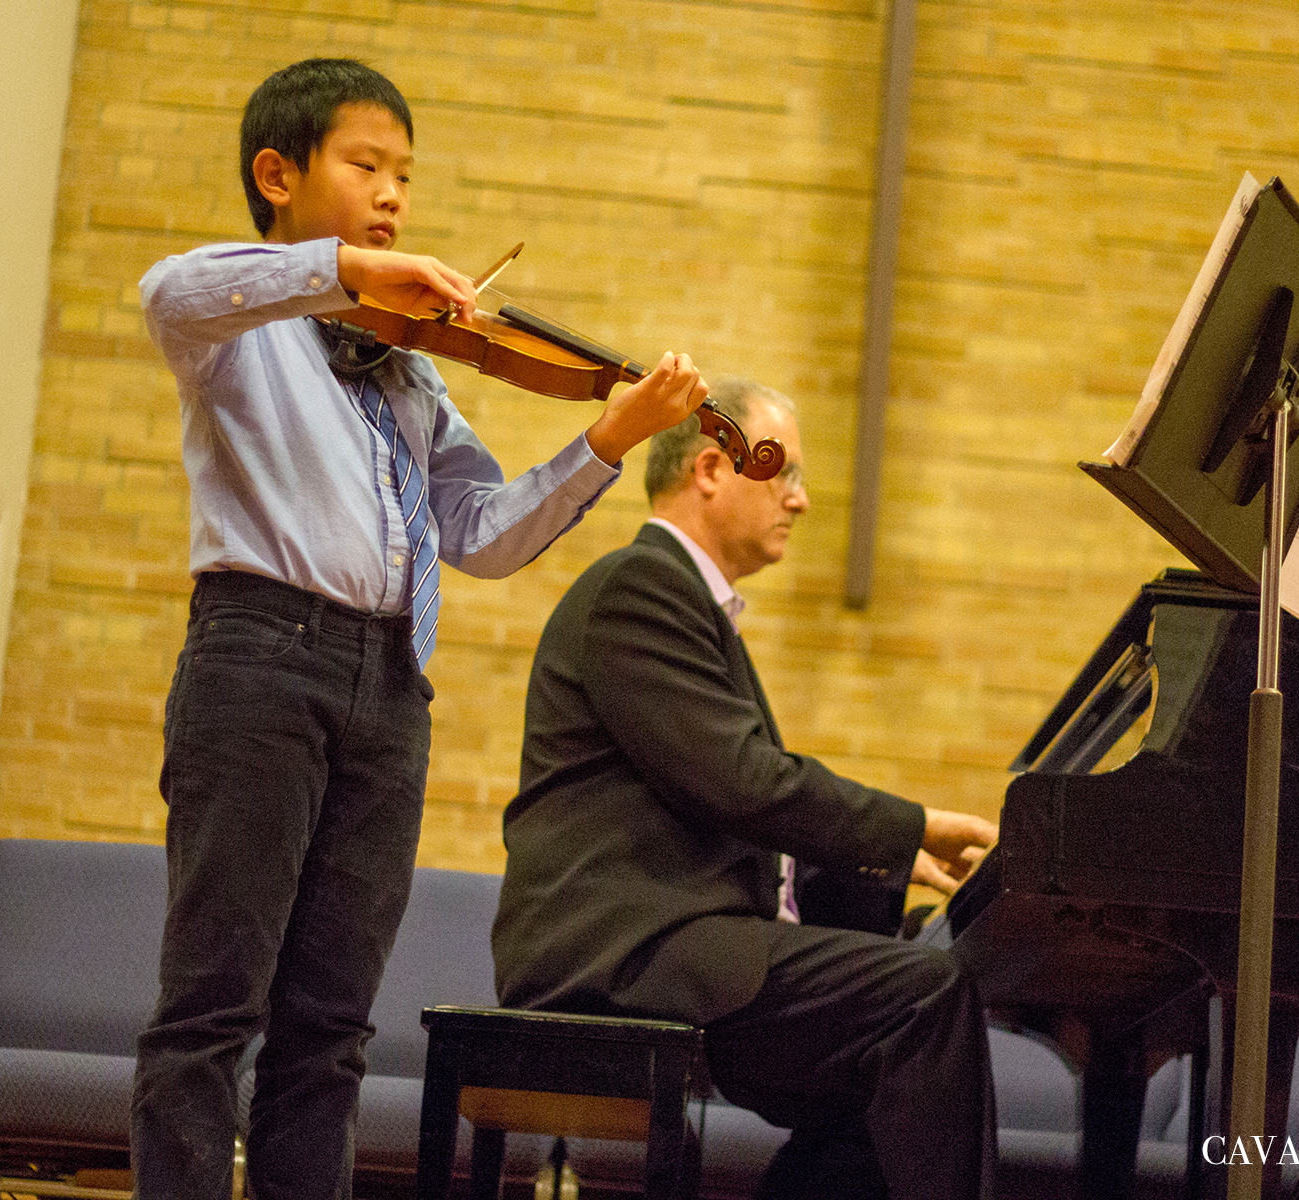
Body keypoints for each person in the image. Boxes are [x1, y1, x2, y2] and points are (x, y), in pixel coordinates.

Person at [132, 58, 708, 1200]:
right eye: (366, 166)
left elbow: (482, 534)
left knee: (331, 1028)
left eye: (405, 175)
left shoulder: (408, 373)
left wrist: (607, 440)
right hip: (260, 662)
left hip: (391, 685)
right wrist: (344, 268)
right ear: (276, 175)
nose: (394, 193)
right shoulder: (244, 327)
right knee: (211, 1009)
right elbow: (169, 288)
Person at [492, 378, 1001, 1200]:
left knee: (884, 1055)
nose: (799, 501)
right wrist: (907, 831)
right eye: (783, 472)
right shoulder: (638, 589)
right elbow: (744, 785)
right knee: (923, 1003)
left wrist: (884, 888)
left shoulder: (689, 605)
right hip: (622, 958)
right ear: (709, 468)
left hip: (681, 944)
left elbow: (738, 817)